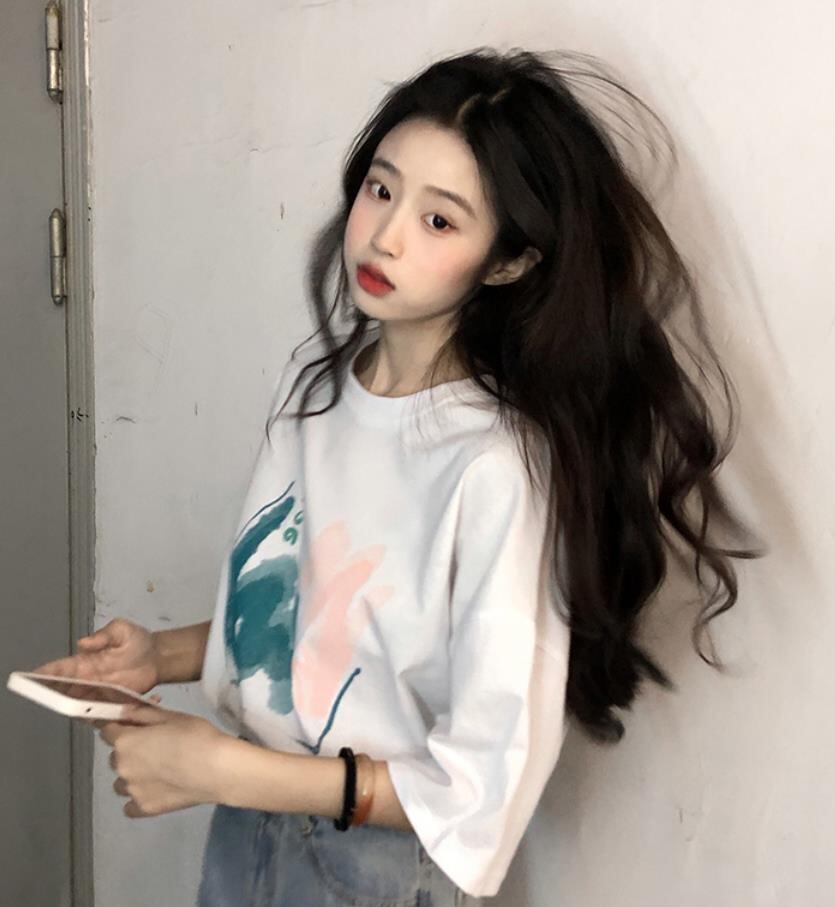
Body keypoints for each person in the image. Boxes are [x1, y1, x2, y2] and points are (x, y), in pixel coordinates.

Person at [33, 46, 764, 906]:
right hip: (246, 825)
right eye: (381, 190)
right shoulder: (315, 386)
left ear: (508, 261)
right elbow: (323, 616)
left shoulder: (493, 465)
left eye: (440, 221)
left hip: (374, 871)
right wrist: (159, 655)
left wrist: (224, 767)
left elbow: (477, 790)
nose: (385, 236)